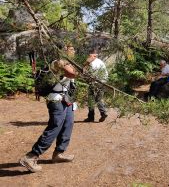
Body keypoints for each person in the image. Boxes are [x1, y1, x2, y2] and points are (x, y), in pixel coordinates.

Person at [20, 43, 78, 173]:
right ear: (63, 50)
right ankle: (31, 156)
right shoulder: (58, 63)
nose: (73, 50)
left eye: (73, 48)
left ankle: (59, 153)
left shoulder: (69, 62)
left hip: (67, 99)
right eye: (71, 48)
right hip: (56, 100)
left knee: (67, 125)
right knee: (55, 127)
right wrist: (85, 65)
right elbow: (72, 74)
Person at [83, 48, 109, 122]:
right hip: (102, 82)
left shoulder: (92, 62)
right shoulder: (100, 61)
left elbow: (87, 73)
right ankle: (103, 113)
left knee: (91, 99)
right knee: (98, 99)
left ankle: (91, 117)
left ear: (92, 55)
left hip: (96, 83)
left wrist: (85, 64)